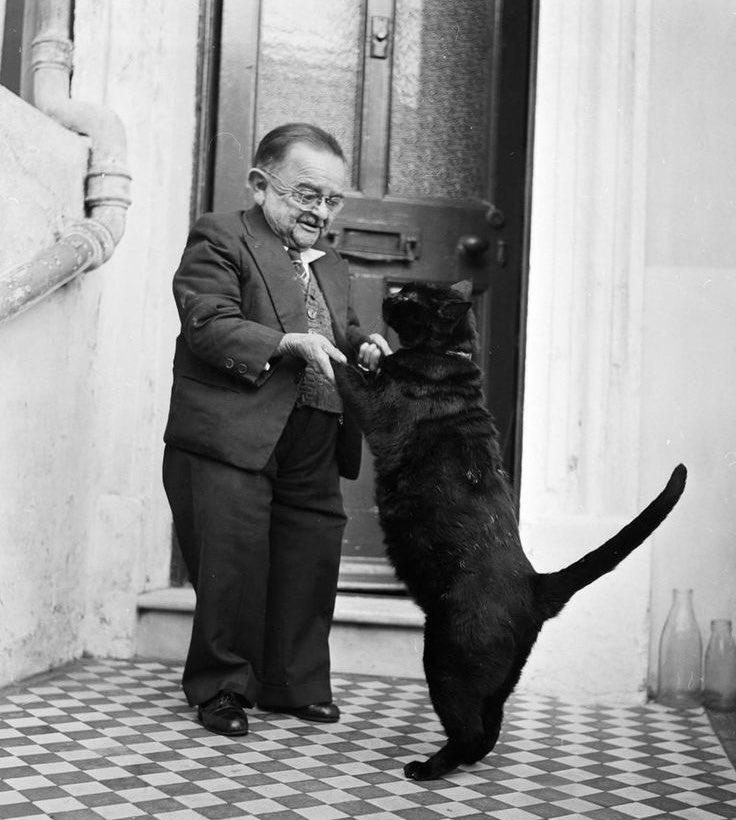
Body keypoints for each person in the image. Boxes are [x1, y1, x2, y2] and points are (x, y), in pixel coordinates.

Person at [162, 123, 390, 736]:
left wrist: (364, 346)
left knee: (308, 555)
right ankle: (222, 687)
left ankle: (293, 685)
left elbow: (338, 329)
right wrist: (286, 343)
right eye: (306, 194)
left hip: (316, 429)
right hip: (233, 432)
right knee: (232, 559)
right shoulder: (221, 236)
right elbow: (208, 322)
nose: (321, 211)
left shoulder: (332, 264)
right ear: (260, 184)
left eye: (333, 200)